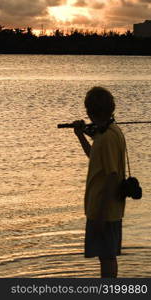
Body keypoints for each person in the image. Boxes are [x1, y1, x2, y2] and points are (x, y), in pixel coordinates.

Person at [73, 86, 126, 278]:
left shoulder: (107, 137)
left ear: (90, 111)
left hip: (105, 209)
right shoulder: (108, 133)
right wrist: (81, 135)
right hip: (101, 208)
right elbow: (94, 157)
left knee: (107, 256)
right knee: (105, 255)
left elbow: (112, 176)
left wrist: (102, 215)